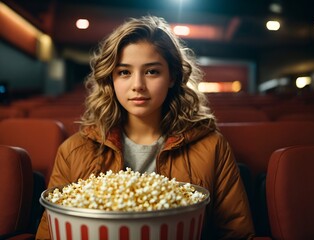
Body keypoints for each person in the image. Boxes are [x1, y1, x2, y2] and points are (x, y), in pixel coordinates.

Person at [36, 15, 254, 239]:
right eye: (124, 72)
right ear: (111, 79)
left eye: (152, 71)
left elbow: (236, 233)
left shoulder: (212, 147)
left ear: (172, 77)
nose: (138, 85)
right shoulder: (73, 151)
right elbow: (50, 232)